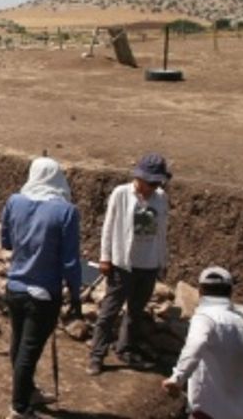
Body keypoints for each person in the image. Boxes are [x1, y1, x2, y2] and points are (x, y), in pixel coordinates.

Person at [0, 156, 83, 419]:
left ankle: (28, 392)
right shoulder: (66, 212)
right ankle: (19, 407)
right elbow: (70, 261)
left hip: (15, 287)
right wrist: (76, 295)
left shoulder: (15, 201)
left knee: (18, 342)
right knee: (29, 351)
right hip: (44, 293)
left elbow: (6, 242)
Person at [88, 152, 171, 375]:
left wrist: (162, 261)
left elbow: (162, 232)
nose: (152, 186)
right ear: (140, 178)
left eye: (156, 182)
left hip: (148, 264)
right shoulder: (121, 194)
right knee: (110, 310)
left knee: (135, 311)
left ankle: (125, 349)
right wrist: (105, 257)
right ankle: (97, 355)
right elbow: (109, 226)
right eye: (150, 182)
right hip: (123, 263)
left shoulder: (160, 198)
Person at [161, 266, 243, 419]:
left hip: (212, 411)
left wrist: (177, 378)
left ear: (200, 291)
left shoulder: (205, 318)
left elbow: (195, 346)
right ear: (230, 292)